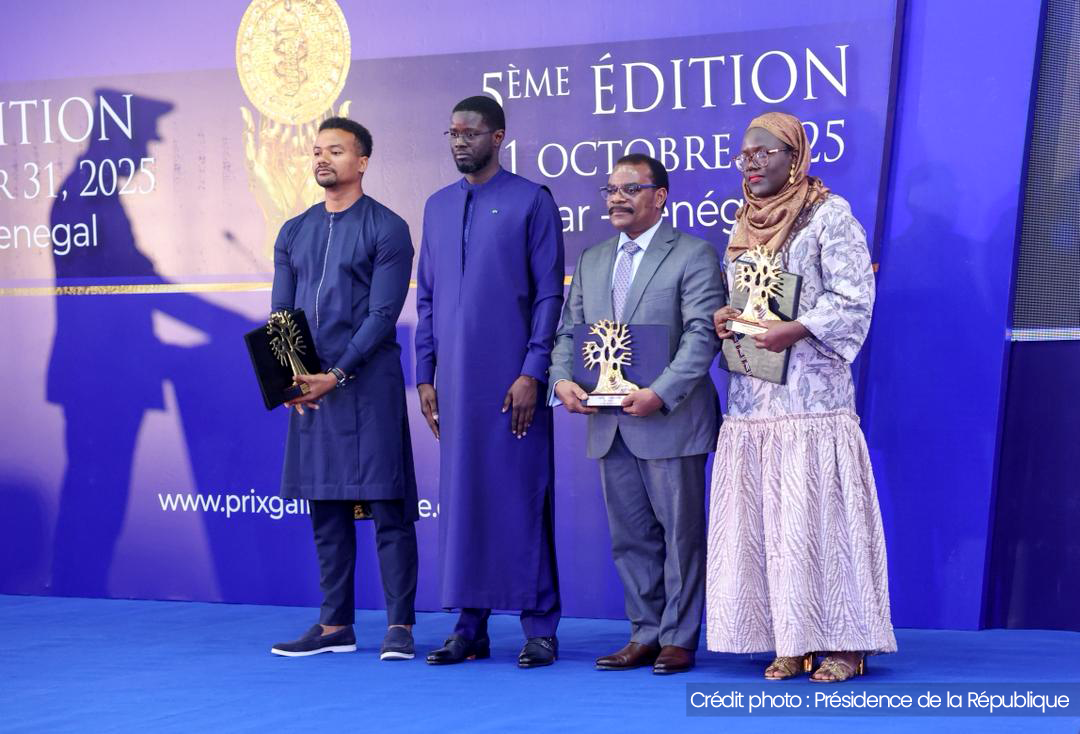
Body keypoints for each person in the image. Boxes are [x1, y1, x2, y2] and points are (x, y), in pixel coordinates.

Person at [705, 112, 896, 682]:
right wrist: (725, 316)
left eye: (766, 152)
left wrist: (800, 326)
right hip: (754, 402)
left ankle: (845, 642)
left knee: (819, 521)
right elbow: (743, 299)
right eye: (746, 154)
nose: (753, 163)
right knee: (770, 524)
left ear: (796, 157)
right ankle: (789, 637)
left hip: (811, 406)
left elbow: (854, 298)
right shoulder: (743, 221)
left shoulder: (829, 216)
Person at [549, 154, 724, 675]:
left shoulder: (692, 254)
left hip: (669, 419)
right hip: (610, 424)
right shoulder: (593, 258)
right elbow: (567, 334)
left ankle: (679, 638)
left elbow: (702, 335)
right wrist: (562, 381)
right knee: (630, 539)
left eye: (630, 188)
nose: (616, 199)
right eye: (610, 190)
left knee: (681, 536)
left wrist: (660, 392)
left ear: (660, 196)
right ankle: (644, 634)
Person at [415, 96, 565, 668]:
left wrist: (532, 371)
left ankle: (540, 627)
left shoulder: (531, 200)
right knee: (464, 501)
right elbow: (426, 296)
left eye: (470, 133)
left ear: (498, 137)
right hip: (454, 385)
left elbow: (550, 293)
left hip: (512, 386)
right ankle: (468, 626)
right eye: (452, 132)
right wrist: (424, 374)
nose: (459, 142)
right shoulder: (435, 207)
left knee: (523, 498)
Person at [269, 117, 419, 661]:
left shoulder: (388, 227)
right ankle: (335, 625)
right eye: (317, 151)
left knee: (387, 508)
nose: (323, 159)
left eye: (336, 150)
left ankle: (399, 625)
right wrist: (296, 382)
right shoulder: (293, 230)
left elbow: (383, 314)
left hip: (367, 385)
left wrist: (336, 375)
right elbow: (281, 313)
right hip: (311, 388)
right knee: (326, 508)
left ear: (363, 161)